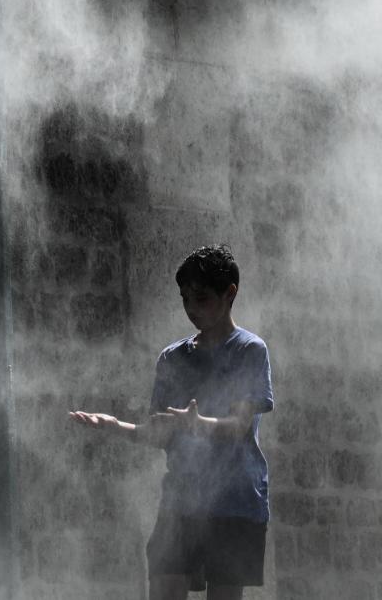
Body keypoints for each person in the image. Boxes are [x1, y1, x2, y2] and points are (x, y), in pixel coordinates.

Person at [69, 244, 274, 600]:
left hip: (234, 500)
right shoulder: (173, 357)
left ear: (230, 294)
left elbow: (239, 426)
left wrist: (199, 425)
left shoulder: (249, 350)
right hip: (181, 499)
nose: (192, 309)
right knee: (163, 582)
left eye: (201, 298)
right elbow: (160, 433)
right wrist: (114, 426)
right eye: (185, 299)